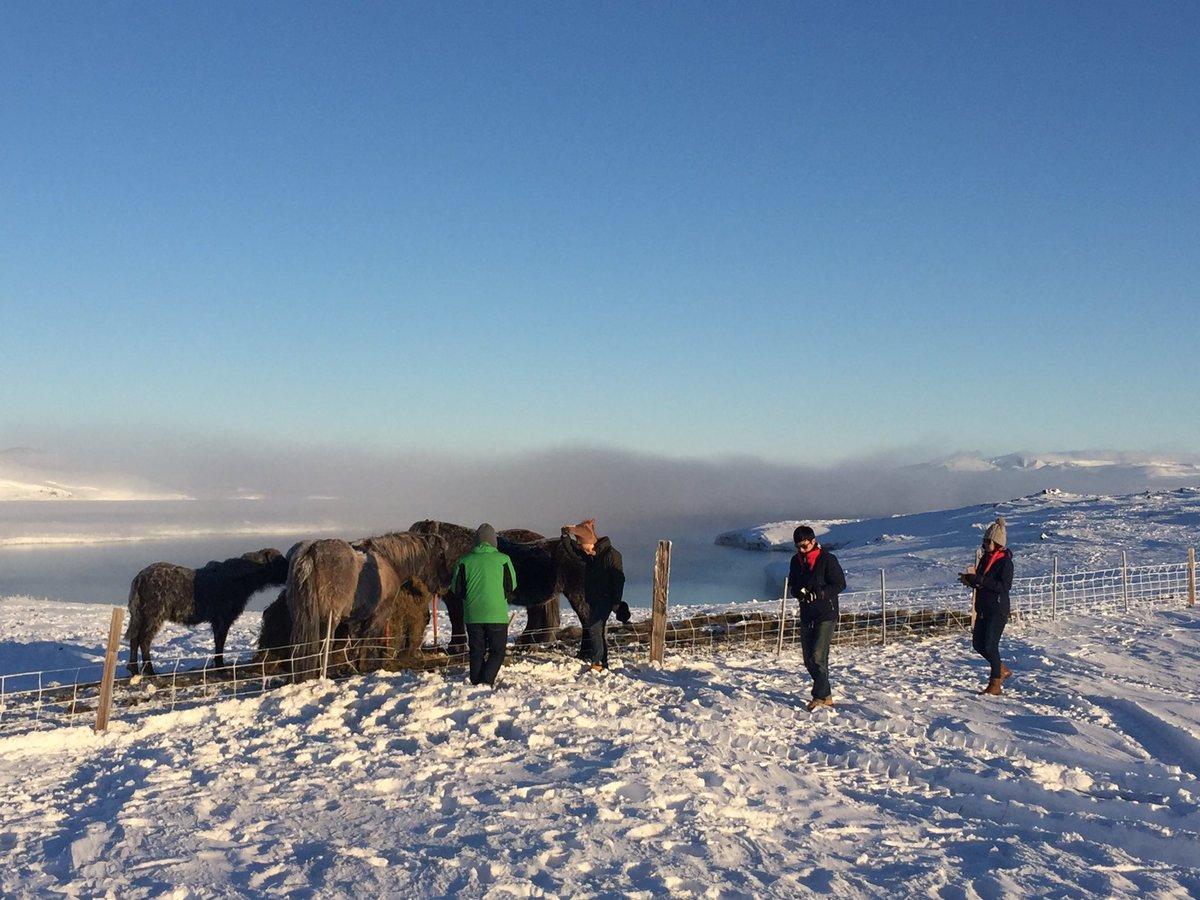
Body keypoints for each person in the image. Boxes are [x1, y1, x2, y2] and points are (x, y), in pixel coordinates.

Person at [451, 523, 517, 687]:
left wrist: (469, 599)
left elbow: (456, 588)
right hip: (496, 614)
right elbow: (511, 585)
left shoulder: (463, 561)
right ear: (494, 541)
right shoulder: (503, 559)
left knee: (476, 651)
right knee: (498, 651)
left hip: (473, 614)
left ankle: (475, 681)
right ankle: (486, 681)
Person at [788, 525, 846, 711]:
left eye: (804, 546)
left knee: (817, 656)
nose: (801, 550)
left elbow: (839, 584)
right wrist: (800, 592)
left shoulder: (828, 560)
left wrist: (819, 594)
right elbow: (793, 585)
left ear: (813, 541)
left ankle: (819, 696)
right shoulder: (796, 561)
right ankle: (826, 695)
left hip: (826, 614)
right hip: (807, 614)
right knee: (808, 659)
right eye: (798, 547)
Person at [959, 517, 1014, 696]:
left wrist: (979, 580)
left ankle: (995, 683)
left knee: (990, 645)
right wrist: (970, 580)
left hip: (997, 609)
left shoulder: (1005, 562)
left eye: (987, 541)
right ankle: (1001, 669)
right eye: (983, 541)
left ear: (997, 543)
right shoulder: (984, 559)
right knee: (977, 644)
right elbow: (983, 582)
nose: (984, 545)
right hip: (983, 607)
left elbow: (1003, 587)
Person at [562, 518, 626, 672]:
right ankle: (602, 662)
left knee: (595, 628)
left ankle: (597, 663)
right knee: (597, 630)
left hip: (606, 598)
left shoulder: (612, 555)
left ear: (591, 543)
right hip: (593, 598)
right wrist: (565, 536)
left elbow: (619, 580)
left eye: (583, 546)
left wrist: (616, 602)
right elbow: (573, 551)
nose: (583, 550)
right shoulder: (592, 557)